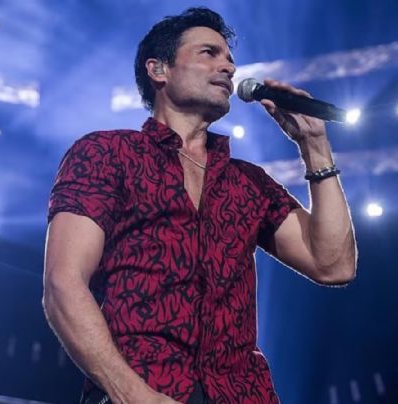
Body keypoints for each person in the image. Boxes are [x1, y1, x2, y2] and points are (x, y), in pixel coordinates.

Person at [43, 7, 357, 404]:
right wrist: (132, 393)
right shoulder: (107, 153)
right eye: (209, 53)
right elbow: (63, 284)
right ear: (159, 70)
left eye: (229, 58)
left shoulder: (248, 182)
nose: (228, 67)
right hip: (145, 388)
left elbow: (333, 265)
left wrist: (315, 146)